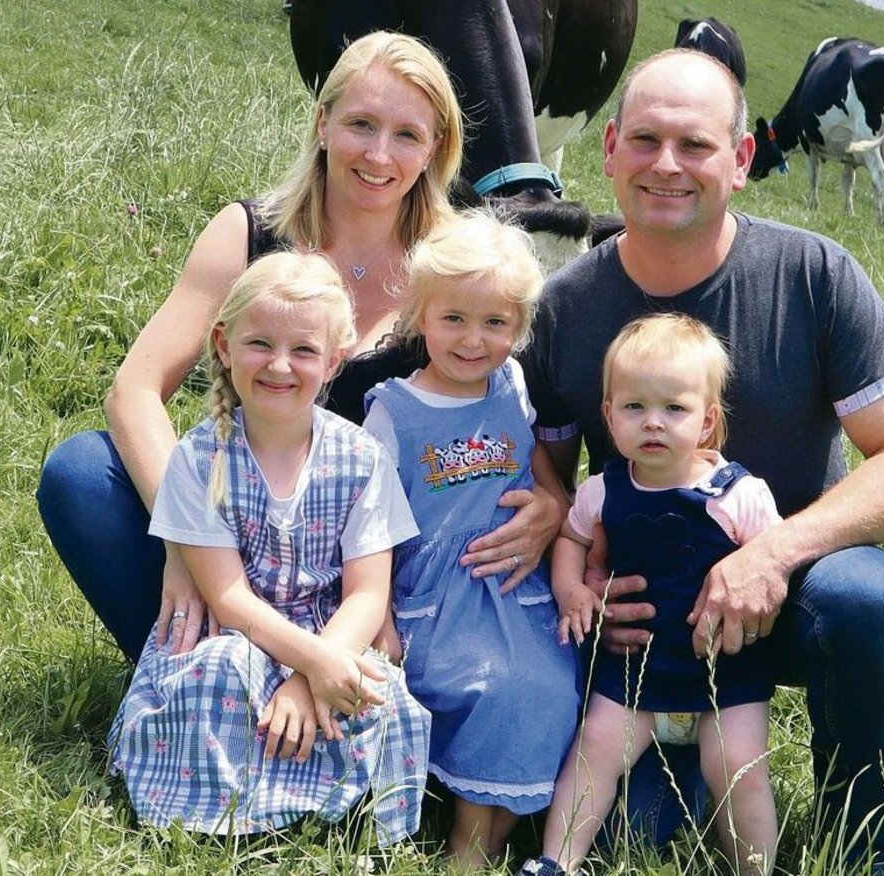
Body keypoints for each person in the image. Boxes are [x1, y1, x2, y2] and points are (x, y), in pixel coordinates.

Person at [520, 49, 884, 875]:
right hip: (647, 620)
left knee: (866, 601)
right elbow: (551, 476)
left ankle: (866, 839)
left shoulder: (814, 275)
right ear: (608, 150)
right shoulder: (566, 307)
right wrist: (579, 575)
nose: (666, 166)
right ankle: (679, 762)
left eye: (696, 144)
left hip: (795, 596)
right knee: (623, 840)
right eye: (644, 141)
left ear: (744, 159)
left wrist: (774, 552)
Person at [36, 31, 563, 665]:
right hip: (242, 535)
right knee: (82, 474)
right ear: (321, 123)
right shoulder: (250, 232)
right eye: (360, 124)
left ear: (436, 149)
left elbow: (513, 410)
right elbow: (134, 391)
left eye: (406, 135)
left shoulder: (463, 264)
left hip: (386, 566)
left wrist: (554, 503)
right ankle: (186, 676)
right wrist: (185, 537)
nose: (378, 154)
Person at [108, 251, 430, 842]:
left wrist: (316, 672)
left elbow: (367, 595)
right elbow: (227, 598)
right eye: (260, 344)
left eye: (304, 351)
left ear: (334, 362)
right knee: (220, 676)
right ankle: (226, 817)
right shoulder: (201, 458)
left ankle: (341, 812)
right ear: (224, 346)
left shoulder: (361, 458)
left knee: (377, 693)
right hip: (240, 630)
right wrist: (307, 662)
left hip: (331, 630)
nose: (280, 366)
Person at [521, 313, 781, 876]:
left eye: (675, 409)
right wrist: (571, 589)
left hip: (723, 676)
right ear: (609, 417)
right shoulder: (603, 490)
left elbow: (772, 568)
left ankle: (754, 867)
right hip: (632, 674)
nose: (653, 423)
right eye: (635, 408)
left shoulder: (738, 495)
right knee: (594, 752)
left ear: (707, 421)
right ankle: (554, 863)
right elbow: (570, 534)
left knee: (738, 767)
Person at [361, 212, 580, 870]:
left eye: (495, 324)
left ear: (518, 330)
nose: (472, 340)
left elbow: (538, 470)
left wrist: (551, 504)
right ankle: (467, 838)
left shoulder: (511, 387)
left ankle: (490, 831)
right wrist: (378, 617)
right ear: (419, 315)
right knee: (489, 687)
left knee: (548, 687)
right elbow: (366, 524)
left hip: (515, 589)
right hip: (435, 594)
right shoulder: (393, 412)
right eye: (453, 318)